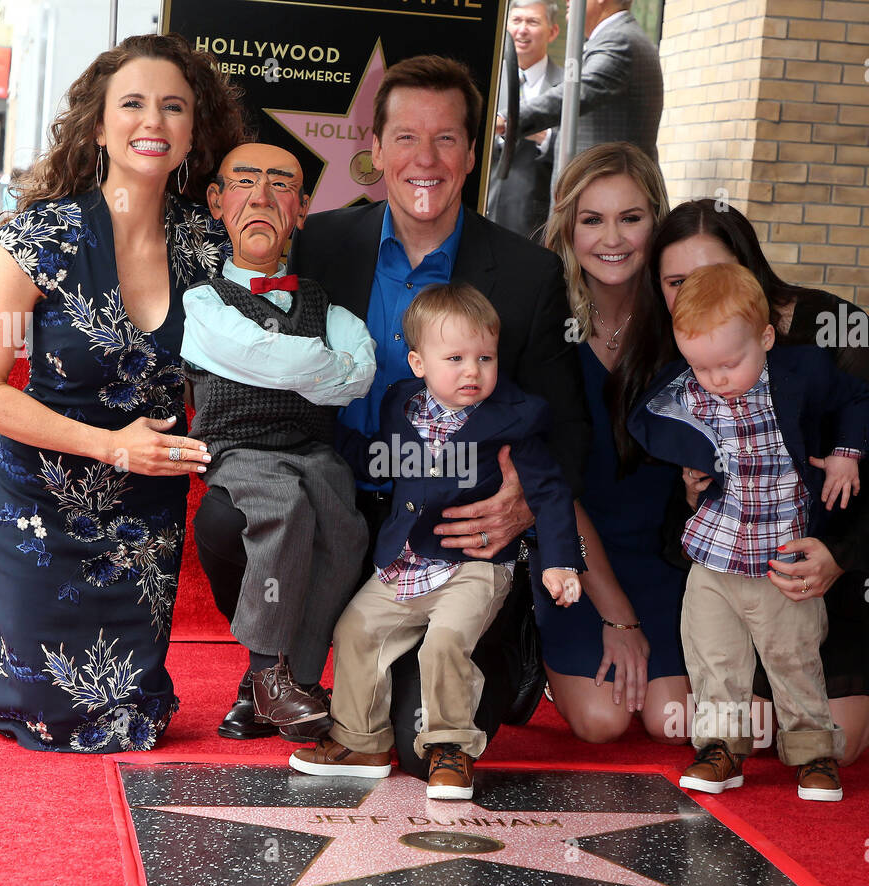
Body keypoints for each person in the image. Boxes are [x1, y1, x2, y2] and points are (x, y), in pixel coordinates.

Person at [197, 55, 591, 775]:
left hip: (455, 532)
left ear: (473, 156)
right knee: (228, 516)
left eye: (447, 140)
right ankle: (278, 668)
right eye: (405, 137)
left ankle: (498, 658)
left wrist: (522, 504)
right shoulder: (317, 244)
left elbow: (567, 426)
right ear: (373, 152)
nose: (426, 160)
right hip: (336, 501)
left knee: (415, 745)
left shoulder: (528, 276)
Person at [0, 33, 248, 752]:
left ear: (193, 132)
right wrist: (112, 446)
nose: (154, 122)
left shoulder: (213, 247)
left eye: (174, 107)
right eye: (134, 104)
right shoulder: (36, 238)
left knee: (135, 722)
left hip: (146, 518)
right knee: (45, 719)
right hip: (38, 506)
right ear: (98, 125)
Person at [648, 199, 869, 765]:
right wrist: (694, 491)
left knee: (835, 742)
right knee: (743, 731)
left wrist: (838, 554)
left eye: (711, 273)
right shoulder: (687, 353)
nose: (695, 291)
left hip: (849, 548)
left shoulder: (834, 331)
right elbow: (666, 491)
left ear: (748, 267)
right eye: (675, 281)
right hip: (739, 563)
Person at [291, 283, 582, 799]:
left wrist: (561, 562)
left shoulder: (510, 423)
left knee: (446, 641)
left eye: (484, 358)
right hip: (406, 561)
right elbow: (380, 462)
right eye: (455, 358)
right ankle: (361, 740)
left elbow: (550, 492)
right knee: (356, 629)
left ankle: (451, 747)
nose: (472, 371)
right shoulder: (402, 406)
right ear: (418, 363)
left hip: (475, 566)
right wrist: (320, 427)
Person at [630, 262, 869, 801]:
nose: (715, 379)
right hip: (713, 556)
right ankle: (720, 748)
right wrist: (694, 461)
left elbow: (856, 398)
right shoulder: (690, 388)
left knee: (794, 658)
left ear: (765, 339)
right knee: (713, 661)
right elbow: (644, 417)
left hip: (781, 558)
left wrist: (844, 456)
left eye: (728, 364)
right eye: (700, 366)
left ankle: (813, 752)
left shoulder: (801, 374)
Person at [180, 141, 376, 737]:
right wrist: (318, 366)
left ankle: (298, 680)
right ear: (217, 202)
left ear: (303, 209)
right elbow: (256, 352)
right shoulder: (202, 301)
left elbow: (360, 374)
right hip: (240, 452)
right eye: (244, 182)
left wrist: (301, 367)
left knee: (344, 527)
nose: (261, 197)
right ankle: (267, 672)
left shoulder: (324, 303)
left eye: (280, 185)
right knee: (283, 509)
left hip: (314, 453)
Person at [538, 141, 692, 744]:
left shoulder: (684, 321)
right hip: (571, 549)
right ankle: (542, 649)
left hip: (663, 553)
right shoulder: (546, 326)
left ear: (657, 223)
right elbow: (549, 486)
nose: (613, 238)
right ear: (569, 228)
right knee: (603, 723)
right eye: (592, 219)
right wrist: (615, 614)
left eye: (631, 218)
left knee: (672, 724)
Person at [505, 0, 663, 165]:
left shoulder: (620, 39)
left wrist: (507, 117)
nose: (567, 1)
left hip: (609, 184)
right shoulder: (615, 38)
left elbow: (578, 92)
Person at [486, 0, 562, 240]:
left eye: (532, 22)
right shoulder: (486, 78)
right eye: (516, 21)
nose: (522, 30)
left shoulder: (569, 86)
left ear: (553, 31)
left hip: (538, 226)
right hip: (484, 215)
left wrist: (546, 137)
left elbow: (580, 146)